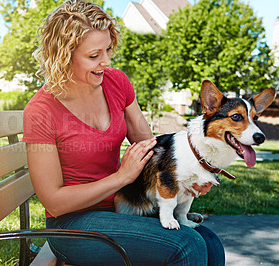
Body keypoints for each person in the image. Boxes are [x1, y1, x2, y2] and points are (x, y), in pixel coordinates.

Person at [23, 0, 225, 265]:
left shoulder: (116, 83)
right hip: (72, 224)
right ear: (64, 56)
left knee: (210, 243)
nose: (106, 62)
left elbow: (149, 147)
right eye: (94, 56)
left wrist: (190, 174)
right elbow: (55, 202)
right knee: (186, 245)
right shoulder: (41, 111)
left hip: (123, 206)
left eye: (107, 49)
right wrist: (120, 178)